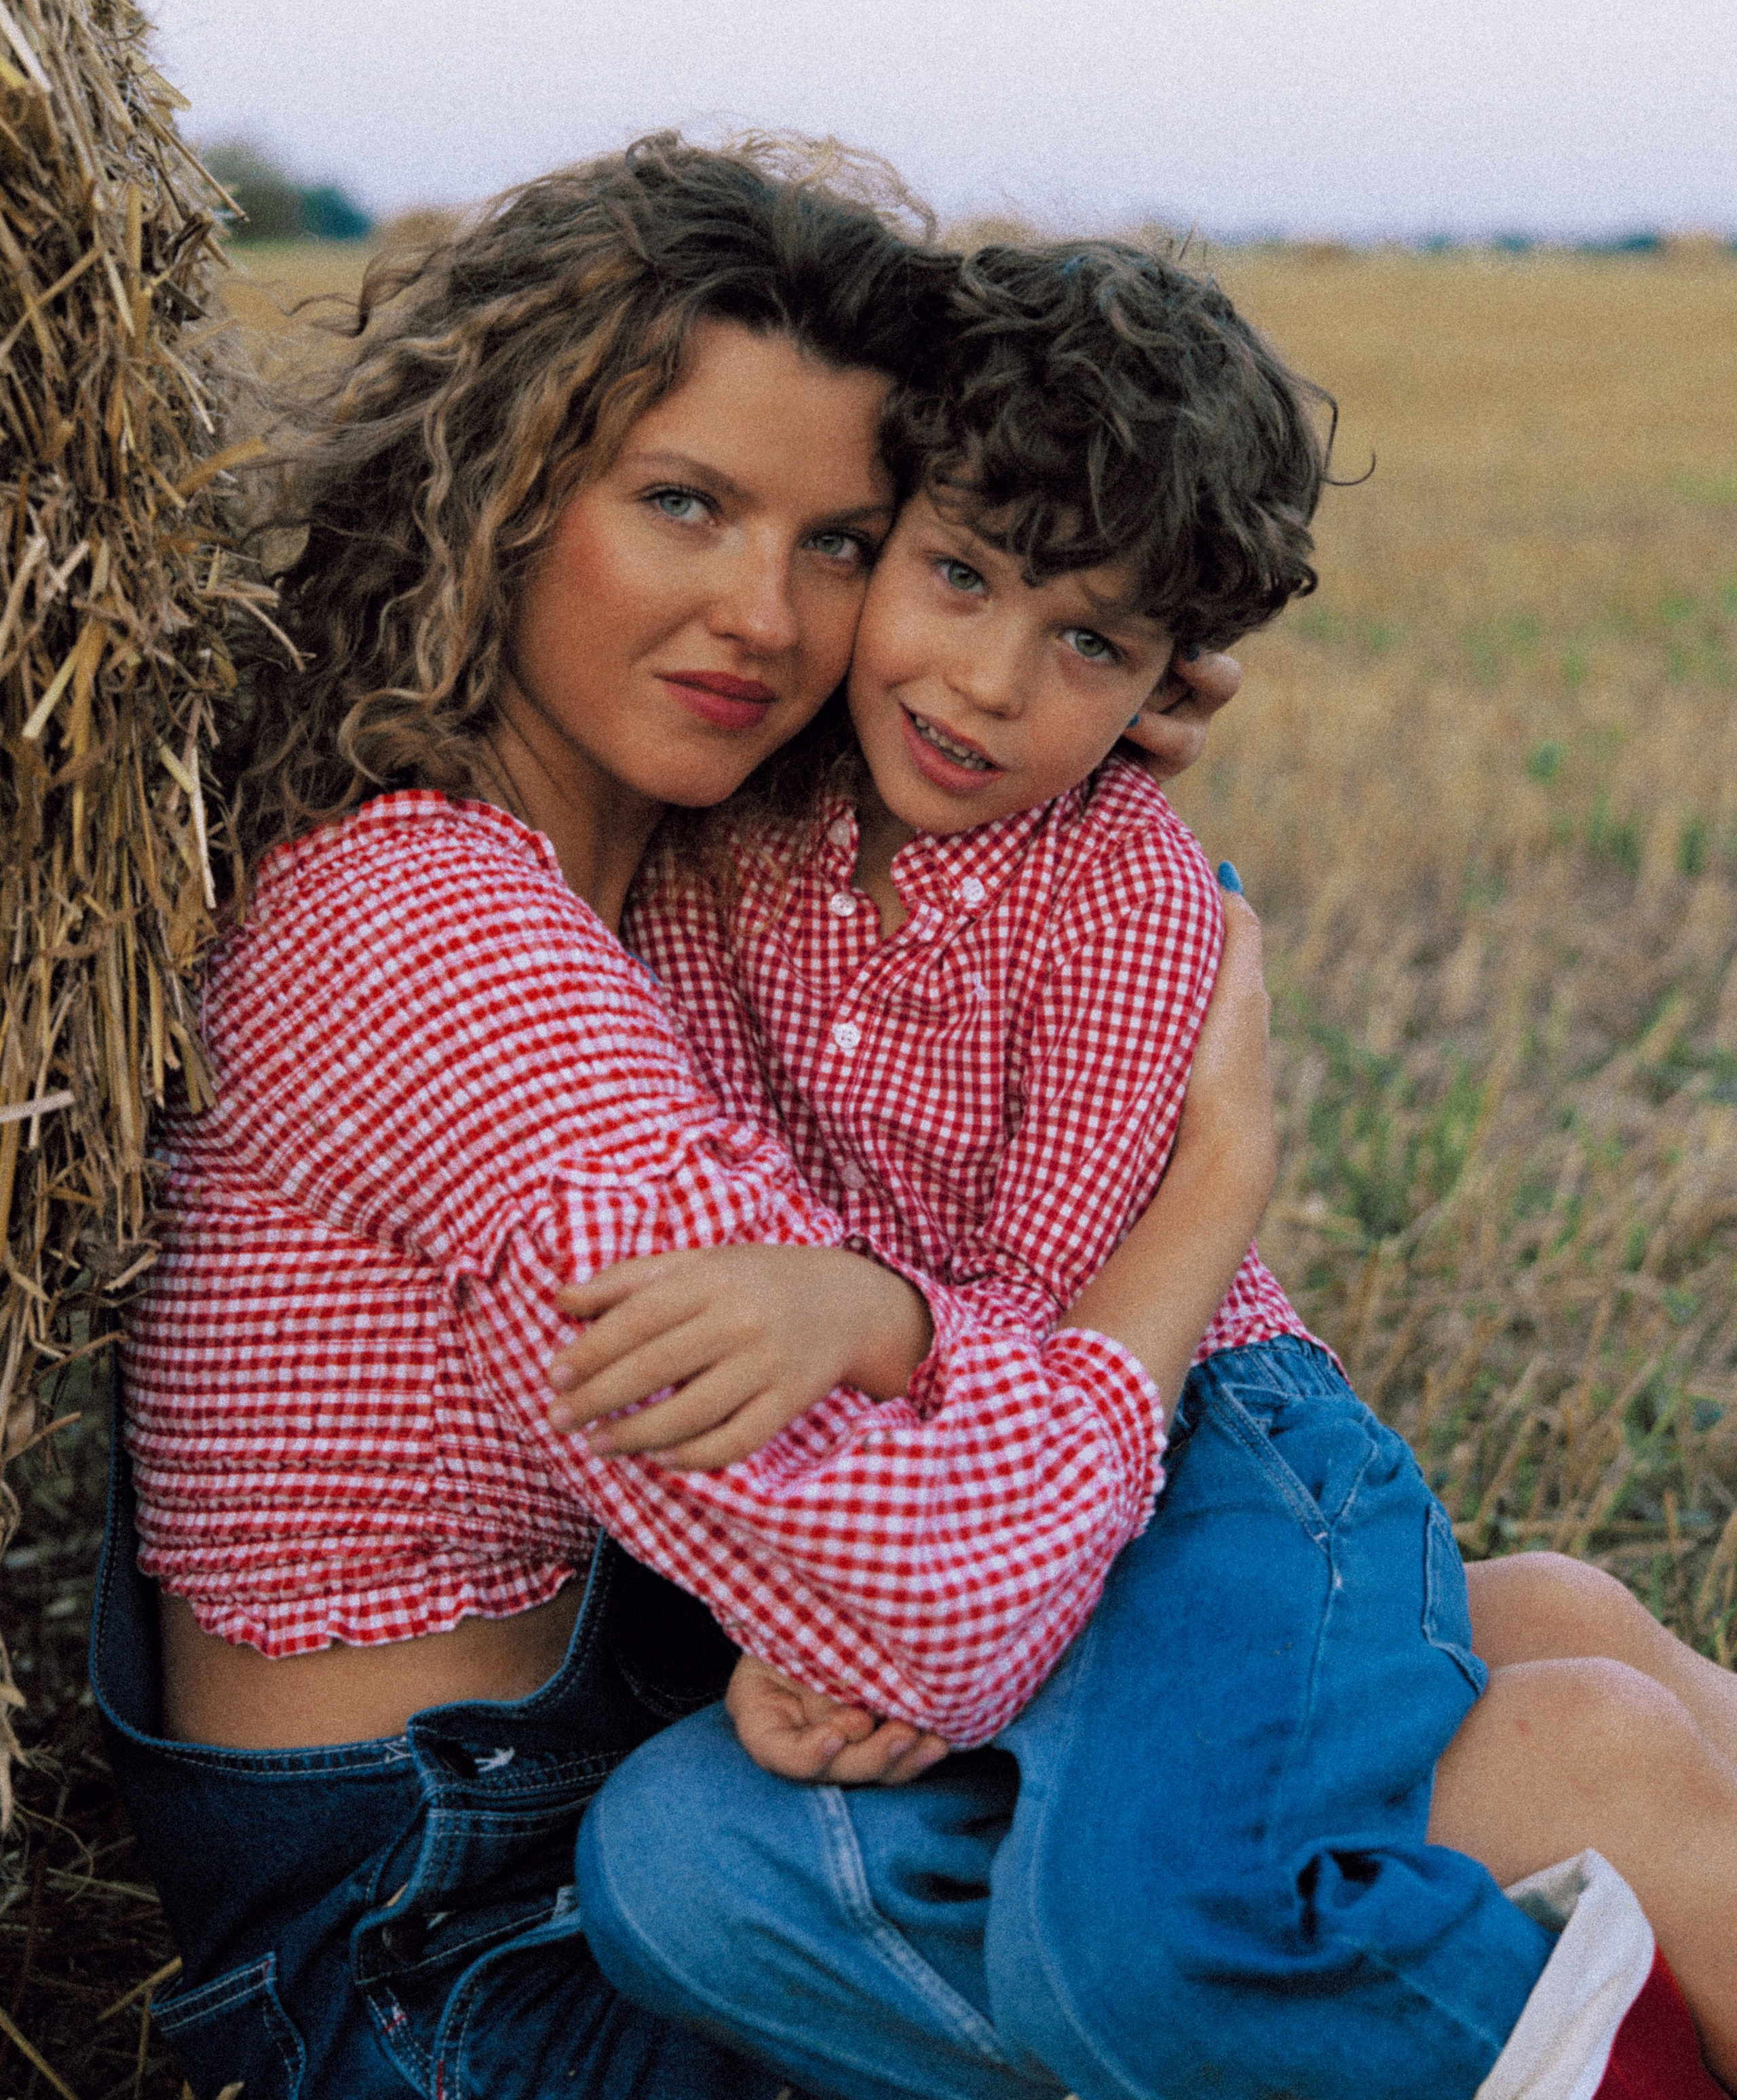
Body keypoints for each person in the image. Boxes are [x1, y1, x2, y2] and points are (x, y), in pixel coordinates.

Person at [94, 134, 1270, 2100]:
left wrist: (1060, 681)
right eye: (685, 504)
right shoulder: (440, 935)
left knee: (1555, 1637)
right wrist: (1207, 1203)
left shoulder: (659, 891)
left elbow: (973, 1146)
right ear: (502, 496)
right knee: (1494, 1778)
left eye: (843, 544)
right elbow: (925, 1609)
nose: (766, 615)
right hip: (447, 1964)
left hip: (591, 1807)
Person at [567, 237, 1737, 2099]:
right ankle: (1555, 1849)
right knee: (673, 1878)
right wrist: (817, 1603)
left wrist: (894, 1544)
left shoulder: (1118, 890)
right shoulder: (737, 835)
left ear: (1171, 675)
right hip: (965, 1488)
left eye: (1088, 642)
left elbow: (1051, 1331)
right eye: (958, 575)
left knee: (1140, 1930)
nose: (987, 680)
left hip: (1203, 1454)